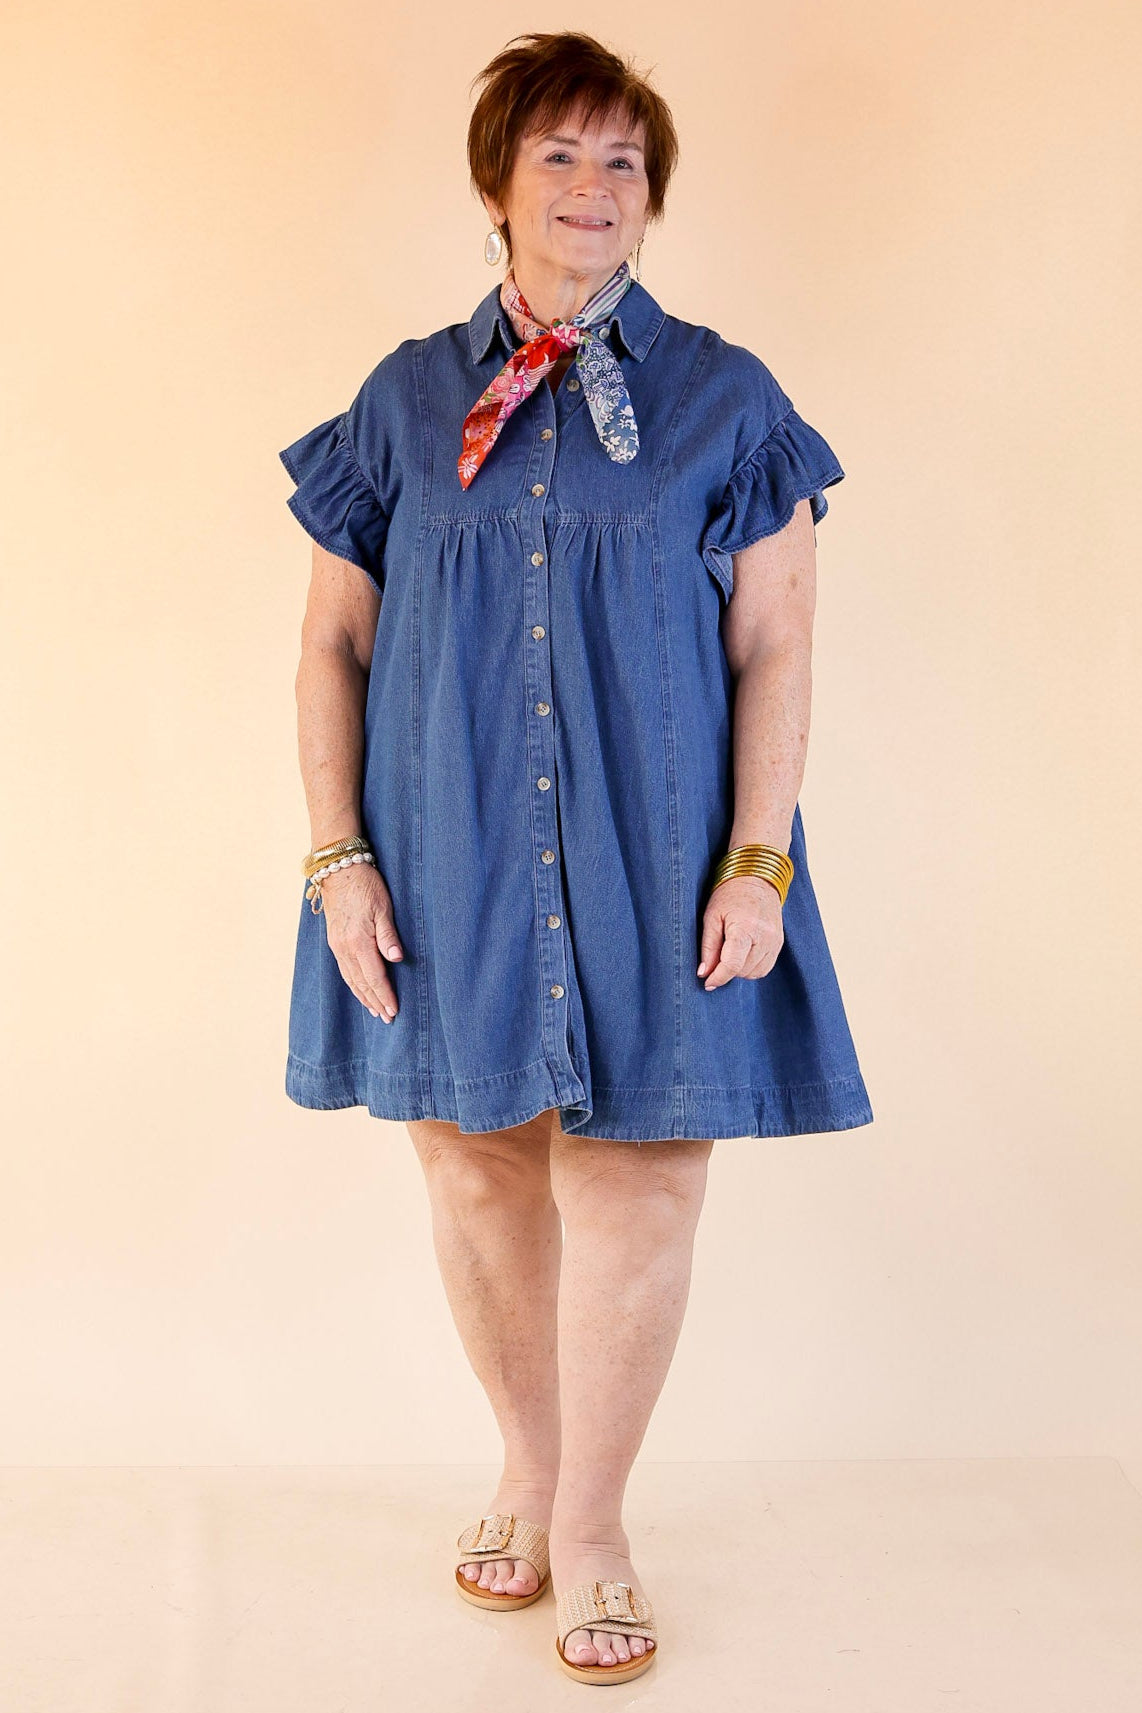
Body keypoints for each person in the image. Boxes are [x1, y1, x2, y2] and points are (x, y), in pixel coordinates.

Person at [279, 29, 873, 1685]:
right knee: (475, 1155)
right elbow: (330, 642)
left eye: (623, 161)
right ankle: (527, 1473)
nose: (594, 186)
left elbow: (776, 639)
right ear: (496, 184)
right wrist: (336, 854)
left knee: (639, 1169)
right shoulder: (403, 401)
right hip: (446, 842)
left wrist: (757, 858)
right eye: (559, 154)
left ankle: (595, 1524)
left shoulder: (725, 399)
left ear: (651, 196)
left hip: (659, 848)